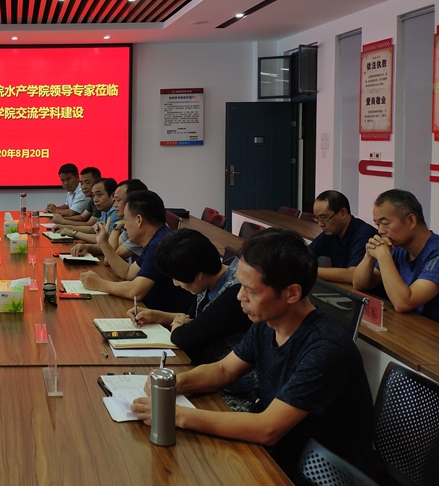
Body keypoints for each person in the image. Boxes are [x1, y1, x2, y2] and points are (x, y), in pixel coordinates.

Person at [132, 228, 374, 481]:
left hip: (318, 475)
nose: (240, 296)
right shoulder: (267, 324)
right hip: (277, 455)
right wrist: (172, 384)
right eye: (240, 285)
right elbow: (223, 370)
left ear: (292, 293)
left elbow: (268, 428)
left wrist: (175, 414)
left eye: (252, 290)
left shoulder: (325, 348)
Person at [126, 228, 251, 368]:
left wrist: (177, 324)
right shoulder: (207, 280)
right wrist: (156, 316)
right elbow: (192, 319)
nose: (175, 283)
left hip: (228, 376)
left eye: (177, 278)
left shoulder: (235, 293)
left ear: (198, 275)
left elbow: (184, 338)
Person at [79, 190, 192, 312]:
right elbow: (127, 272)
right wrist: (103, 242)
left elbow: (136, 292)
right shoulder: (156, 238)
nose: (125, 226)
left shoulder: (160, 245)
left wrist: (98, 283)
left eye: (126, 220)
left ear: (139, 220)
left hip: (165, 318)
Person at [353, 189, 439, 320]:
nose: (380, 231)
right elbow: (360, 285)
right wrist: (369, 256)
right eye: (377, 224)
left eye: (385, 224)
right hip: (405, 324)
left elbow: (403, 303)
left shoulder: (435, 252)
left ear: (411, 220)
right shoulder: (397, 246)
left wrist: (383, 256)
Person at [71, 178, 147, 260]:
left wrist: (116, 226)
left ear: (133, 203)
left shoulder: (140, 229)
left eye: (118, 200)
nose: (114, 205)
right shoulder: (127, 224)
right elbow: (108, 248)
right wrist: (86, 247)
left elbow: (108, 258)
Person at [308, 190, 375, 283]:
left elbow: (353, 275)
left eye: (324, 218)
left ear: (343, 213)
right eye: (316, 218)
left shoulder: (364, 235)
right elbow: (305, 255)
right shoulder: (331, 232)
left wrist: (309, 271)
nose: (320, 224)